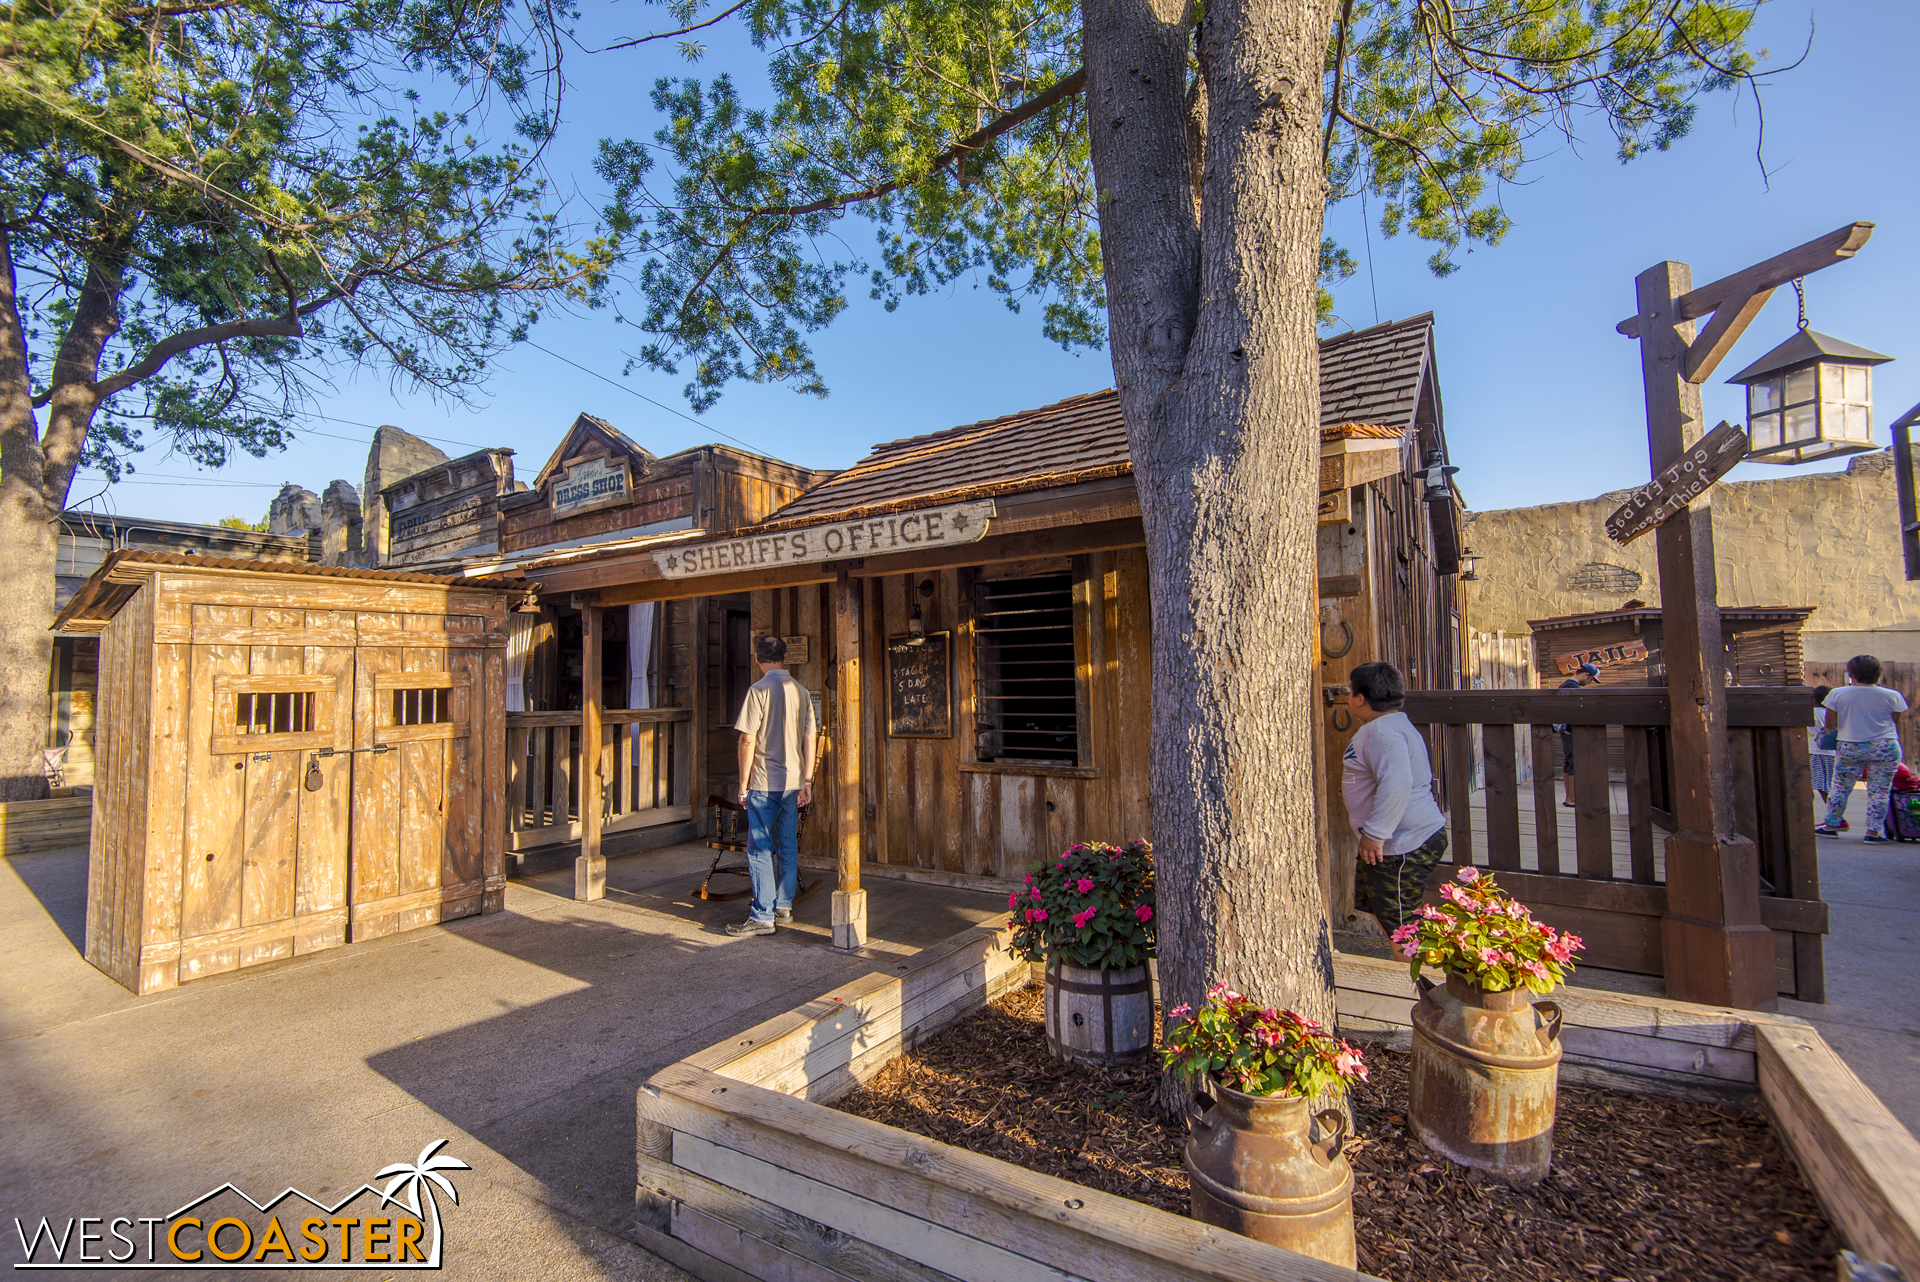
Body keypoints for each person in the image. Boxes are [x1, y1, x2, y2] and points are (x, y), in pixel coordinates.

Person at [1342, 661, 1449, 934]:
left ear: (1360, 698)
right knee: (1380, 909)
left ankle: (1412, 976)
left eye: (1349, 690)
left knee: (1402, 928)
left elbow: (1397, 783)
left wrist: (1376, 833)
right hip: (1388, 842)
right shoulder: (1390, 725)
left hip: (1401, 842)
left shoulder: (1381, 732)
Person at [727, 635, 818, 935]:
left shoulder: (758, 690)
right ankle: (784, 905)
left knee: (760, 847)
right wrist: (807, 780)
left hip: (765, 781)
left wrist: (743, 783)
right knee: (788, 844)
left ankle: (763, 914)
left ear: (757, 659)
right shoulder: (801, 691)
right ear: (784, 657)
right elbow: (810, 738)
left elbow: (747, 739)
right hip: (793, 781)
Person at [1816, 655, 1908, 844]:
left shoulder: (1838, 694)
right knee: (1880, 791)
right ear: (1878, 674)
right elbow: (1894, 723)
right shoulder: (1892, 696)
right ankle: (1873, 833)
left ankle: (1832, 826)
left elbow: (1830, 724)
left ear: (1851, 674)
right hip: (1885, 746)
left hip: (1850, 745)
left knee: (1841, 787)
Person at [1556, 663, 1602, 808]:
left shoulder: (1565, 685)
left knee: (1569, 762)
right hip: (1571, 730)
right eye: (1591, 680)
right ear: (1586, 675)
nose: (1589, 683)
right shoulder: (1573, 687)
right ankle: (1572, 799)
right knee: (1574, 762)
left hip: (1565, 730)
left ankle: (1569, 797)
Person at [1808, 684, 1840, 821]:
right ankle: (1835, 816)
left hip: (1815, 752)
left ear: (1814, 699)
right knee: (1826, 786)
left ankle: (1834, 817)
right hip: (1830, 753)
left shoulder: (1812, 713)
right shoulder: (1831, 714)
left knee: (1816, 786)